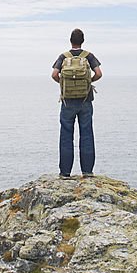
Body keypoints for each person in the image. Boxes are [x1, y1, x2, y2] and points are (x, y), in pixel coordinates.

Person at [51, 28, 102, 178]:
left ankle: (65, 173)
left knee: (66, 135)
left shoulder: (63, 56)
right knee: (86, 133)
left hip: (67, 101)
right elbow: (99, 73)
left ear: (70, 40)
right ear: (83, 40)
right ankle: (87, 172)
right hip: (86, 100)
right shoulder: (89, 56)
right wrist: (88, 81)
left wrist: (62, 83)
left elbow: (54, 74)